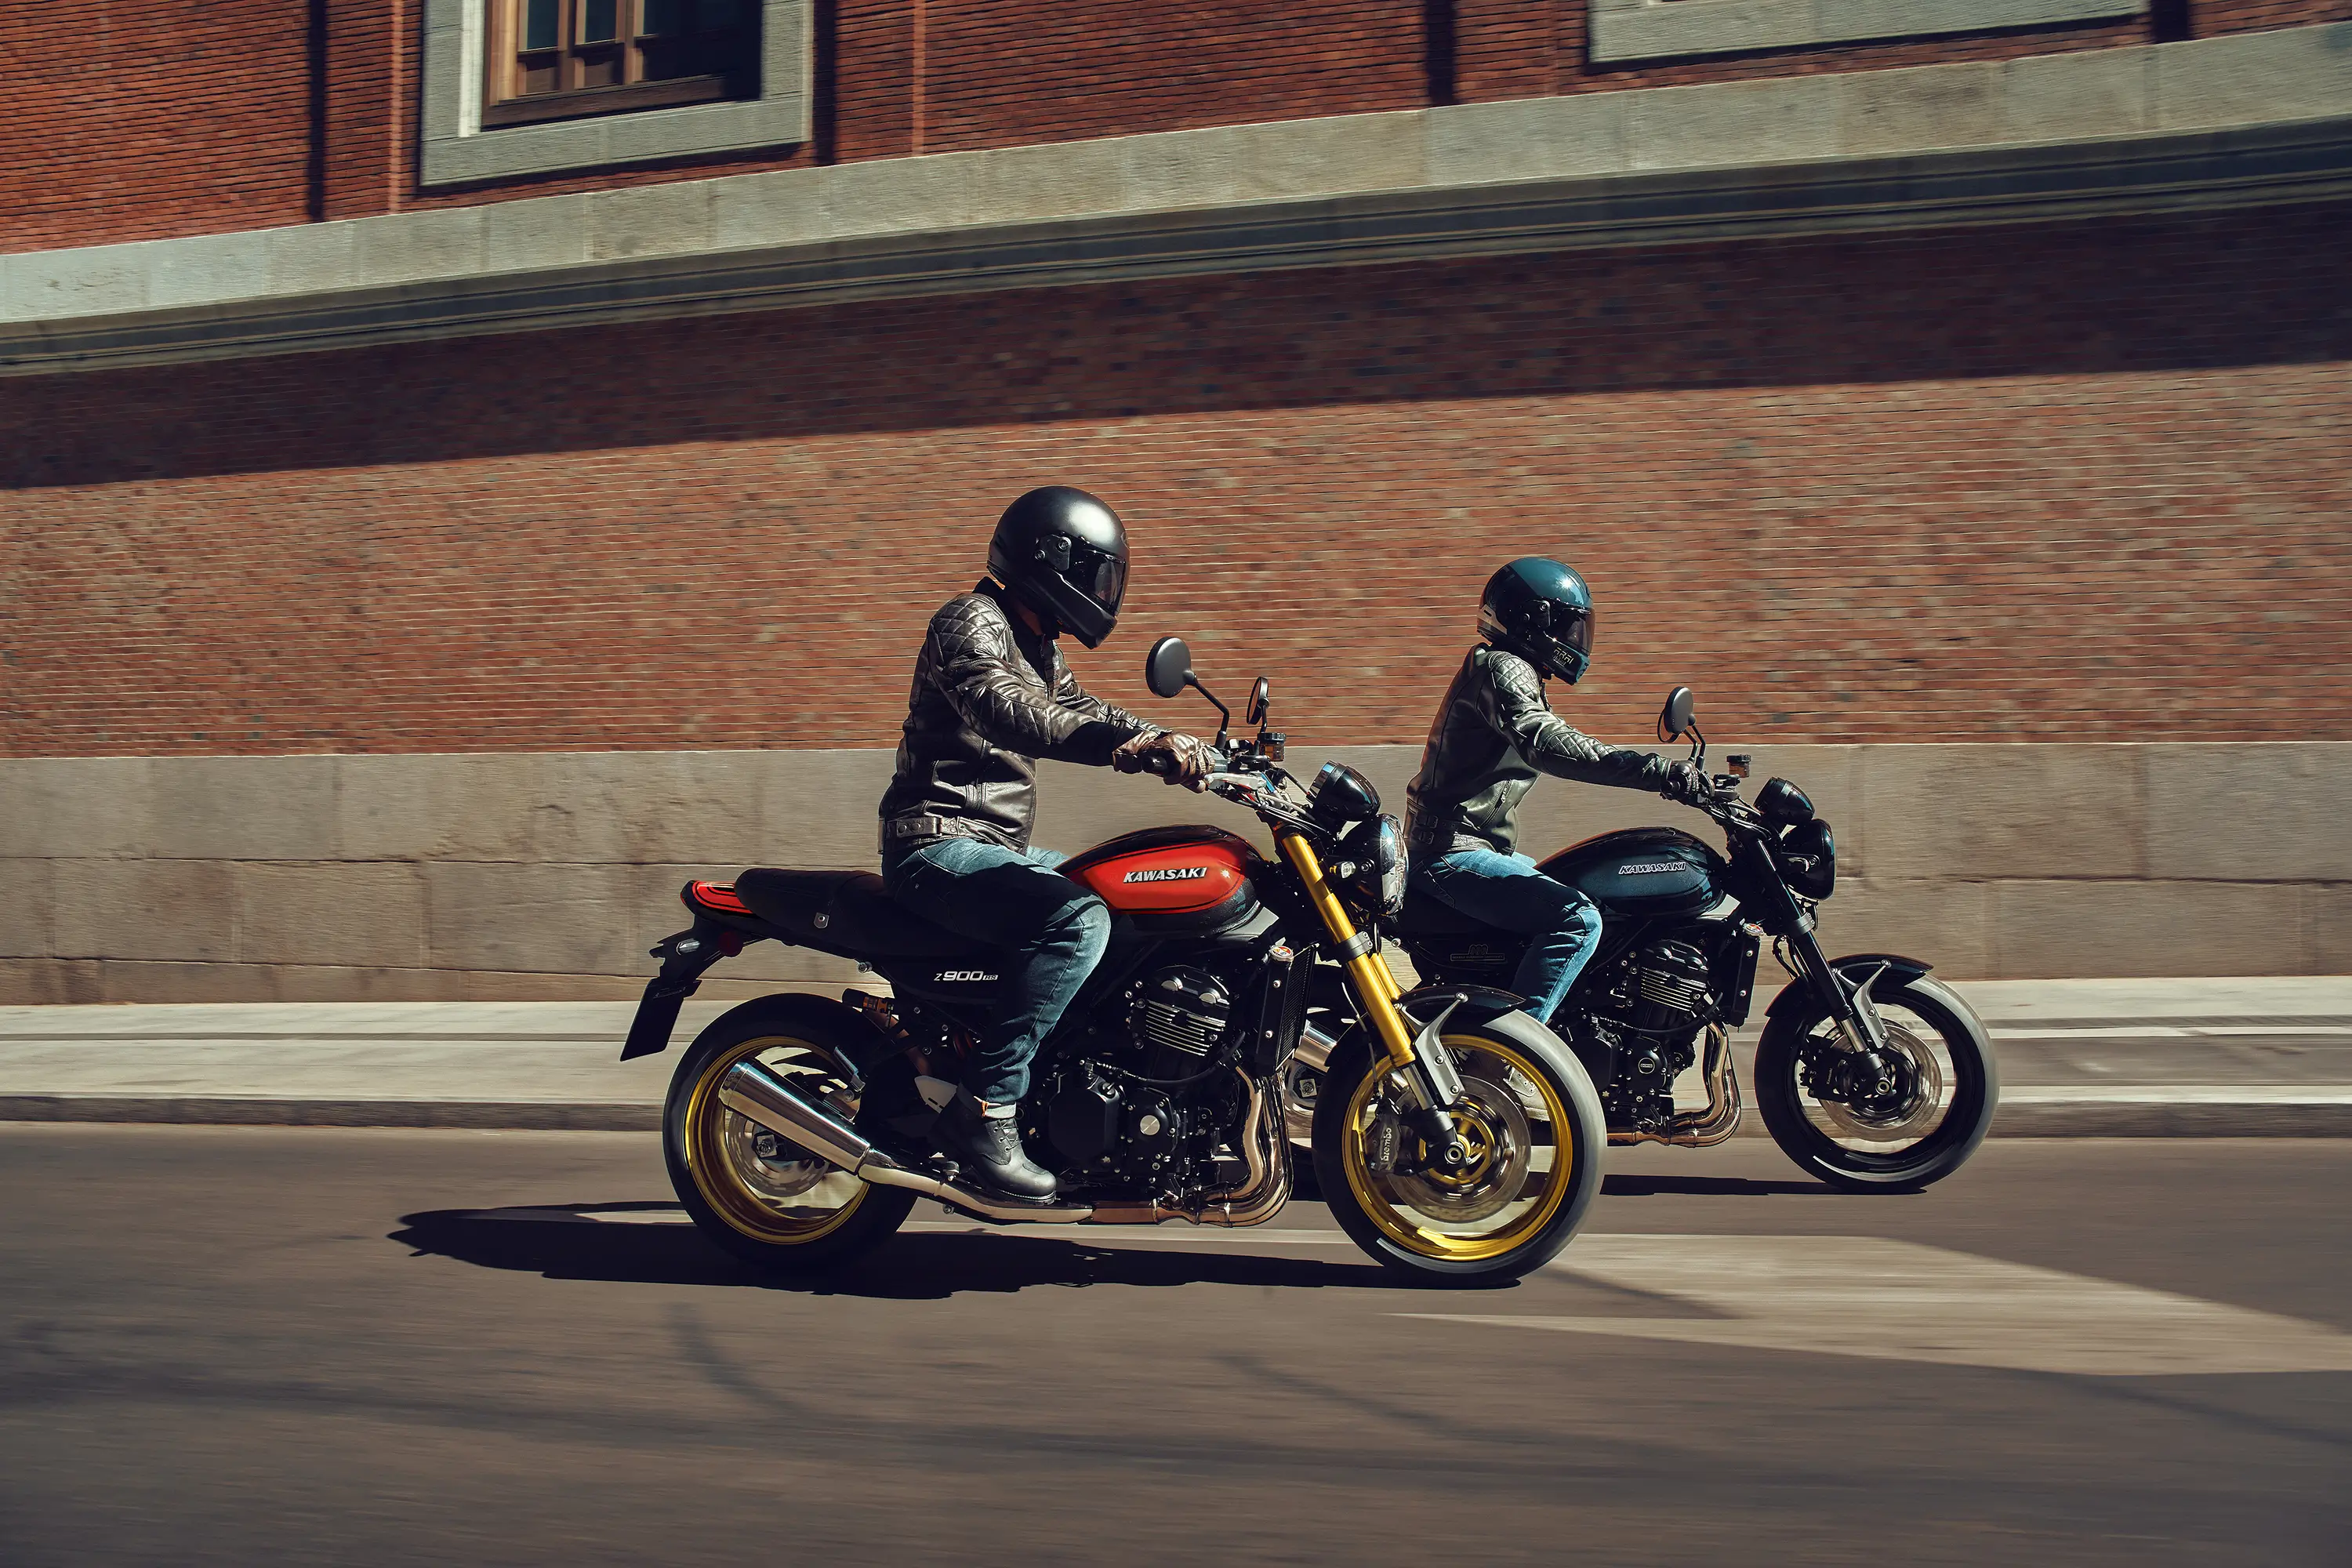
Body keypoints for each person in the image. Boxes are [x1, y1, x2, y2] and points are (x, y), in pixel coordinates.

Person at [879, 486, 1214, 1200]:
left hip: (994, 846)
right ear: (1052, 559)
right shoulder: (969, 622)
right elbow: (1010, 711)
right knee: (1078, 919)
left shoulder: (1034, 641)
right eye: (1099, 575)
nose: (1104, 592)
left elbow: (1084, 708)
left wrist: (1197, 751)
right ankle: (988, 1105)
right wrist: (1134, 746)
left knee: (1122, 899)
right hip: (936, 843)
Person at [1403, 557, 1708, 1025]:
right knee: (1577, 920)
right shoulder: (1504, 668)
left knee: (1602, 901)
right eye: (1567, 626)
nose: (1575, 640)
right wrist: (1657, 772)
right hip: (1450, 852)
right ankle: (1515, 1055)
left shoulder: (1507, 669)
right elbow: (1546, 742)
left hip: (1471, 847)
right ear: (1533, 620)